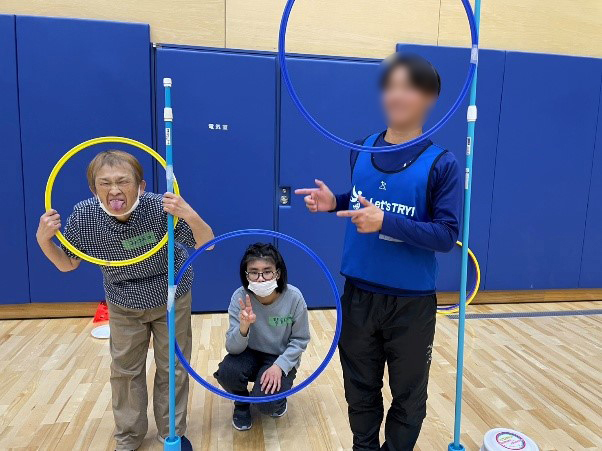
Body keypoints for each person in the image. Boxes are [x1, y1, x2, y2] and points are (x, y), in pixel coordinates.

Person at [295, 53, 462, 450]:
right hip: (358, 296)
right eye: (391, 86)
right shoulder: (361, 148)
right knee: (360, 391)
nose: (396, 95)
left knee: (409, 398)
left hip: (410, 304)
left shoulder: (443, 163)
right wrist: (334, 202)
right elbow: (360, 201)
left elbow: (446, 235)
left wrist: (385, 221)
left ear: (429, 98)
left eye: (409, 87)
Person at [36, 150, 214, 451]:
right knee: (125, 370)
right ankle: (129, 436)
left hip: (171, 294)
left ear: (140, 186)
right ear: (94, 189)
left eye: (123, 181)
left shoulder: (161, 207)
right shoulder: (84, 216)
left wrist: (190, 214)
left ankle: (171, 432)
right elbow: (67, 264)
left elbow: (207, 244)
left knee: (172, 366)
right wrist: (44, 239)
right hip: (123, 299)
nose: (114, 190)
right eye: (104, 183)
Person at [214, 243, 310, 431]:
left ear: (278, 273)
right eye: (254, 272)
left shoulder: (294, 297)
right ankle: (241, 403)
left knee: (268, 405)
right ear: (246, 275)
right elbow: (232, 348)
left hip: (278, 356)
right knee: (227, 373)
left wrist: (280, 366)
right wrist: (244, 327)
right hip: (248, 353)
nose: (260, 278)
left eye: (267, 272)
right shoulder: (240, 297)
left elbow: (300, 340)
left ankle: (276, 401)